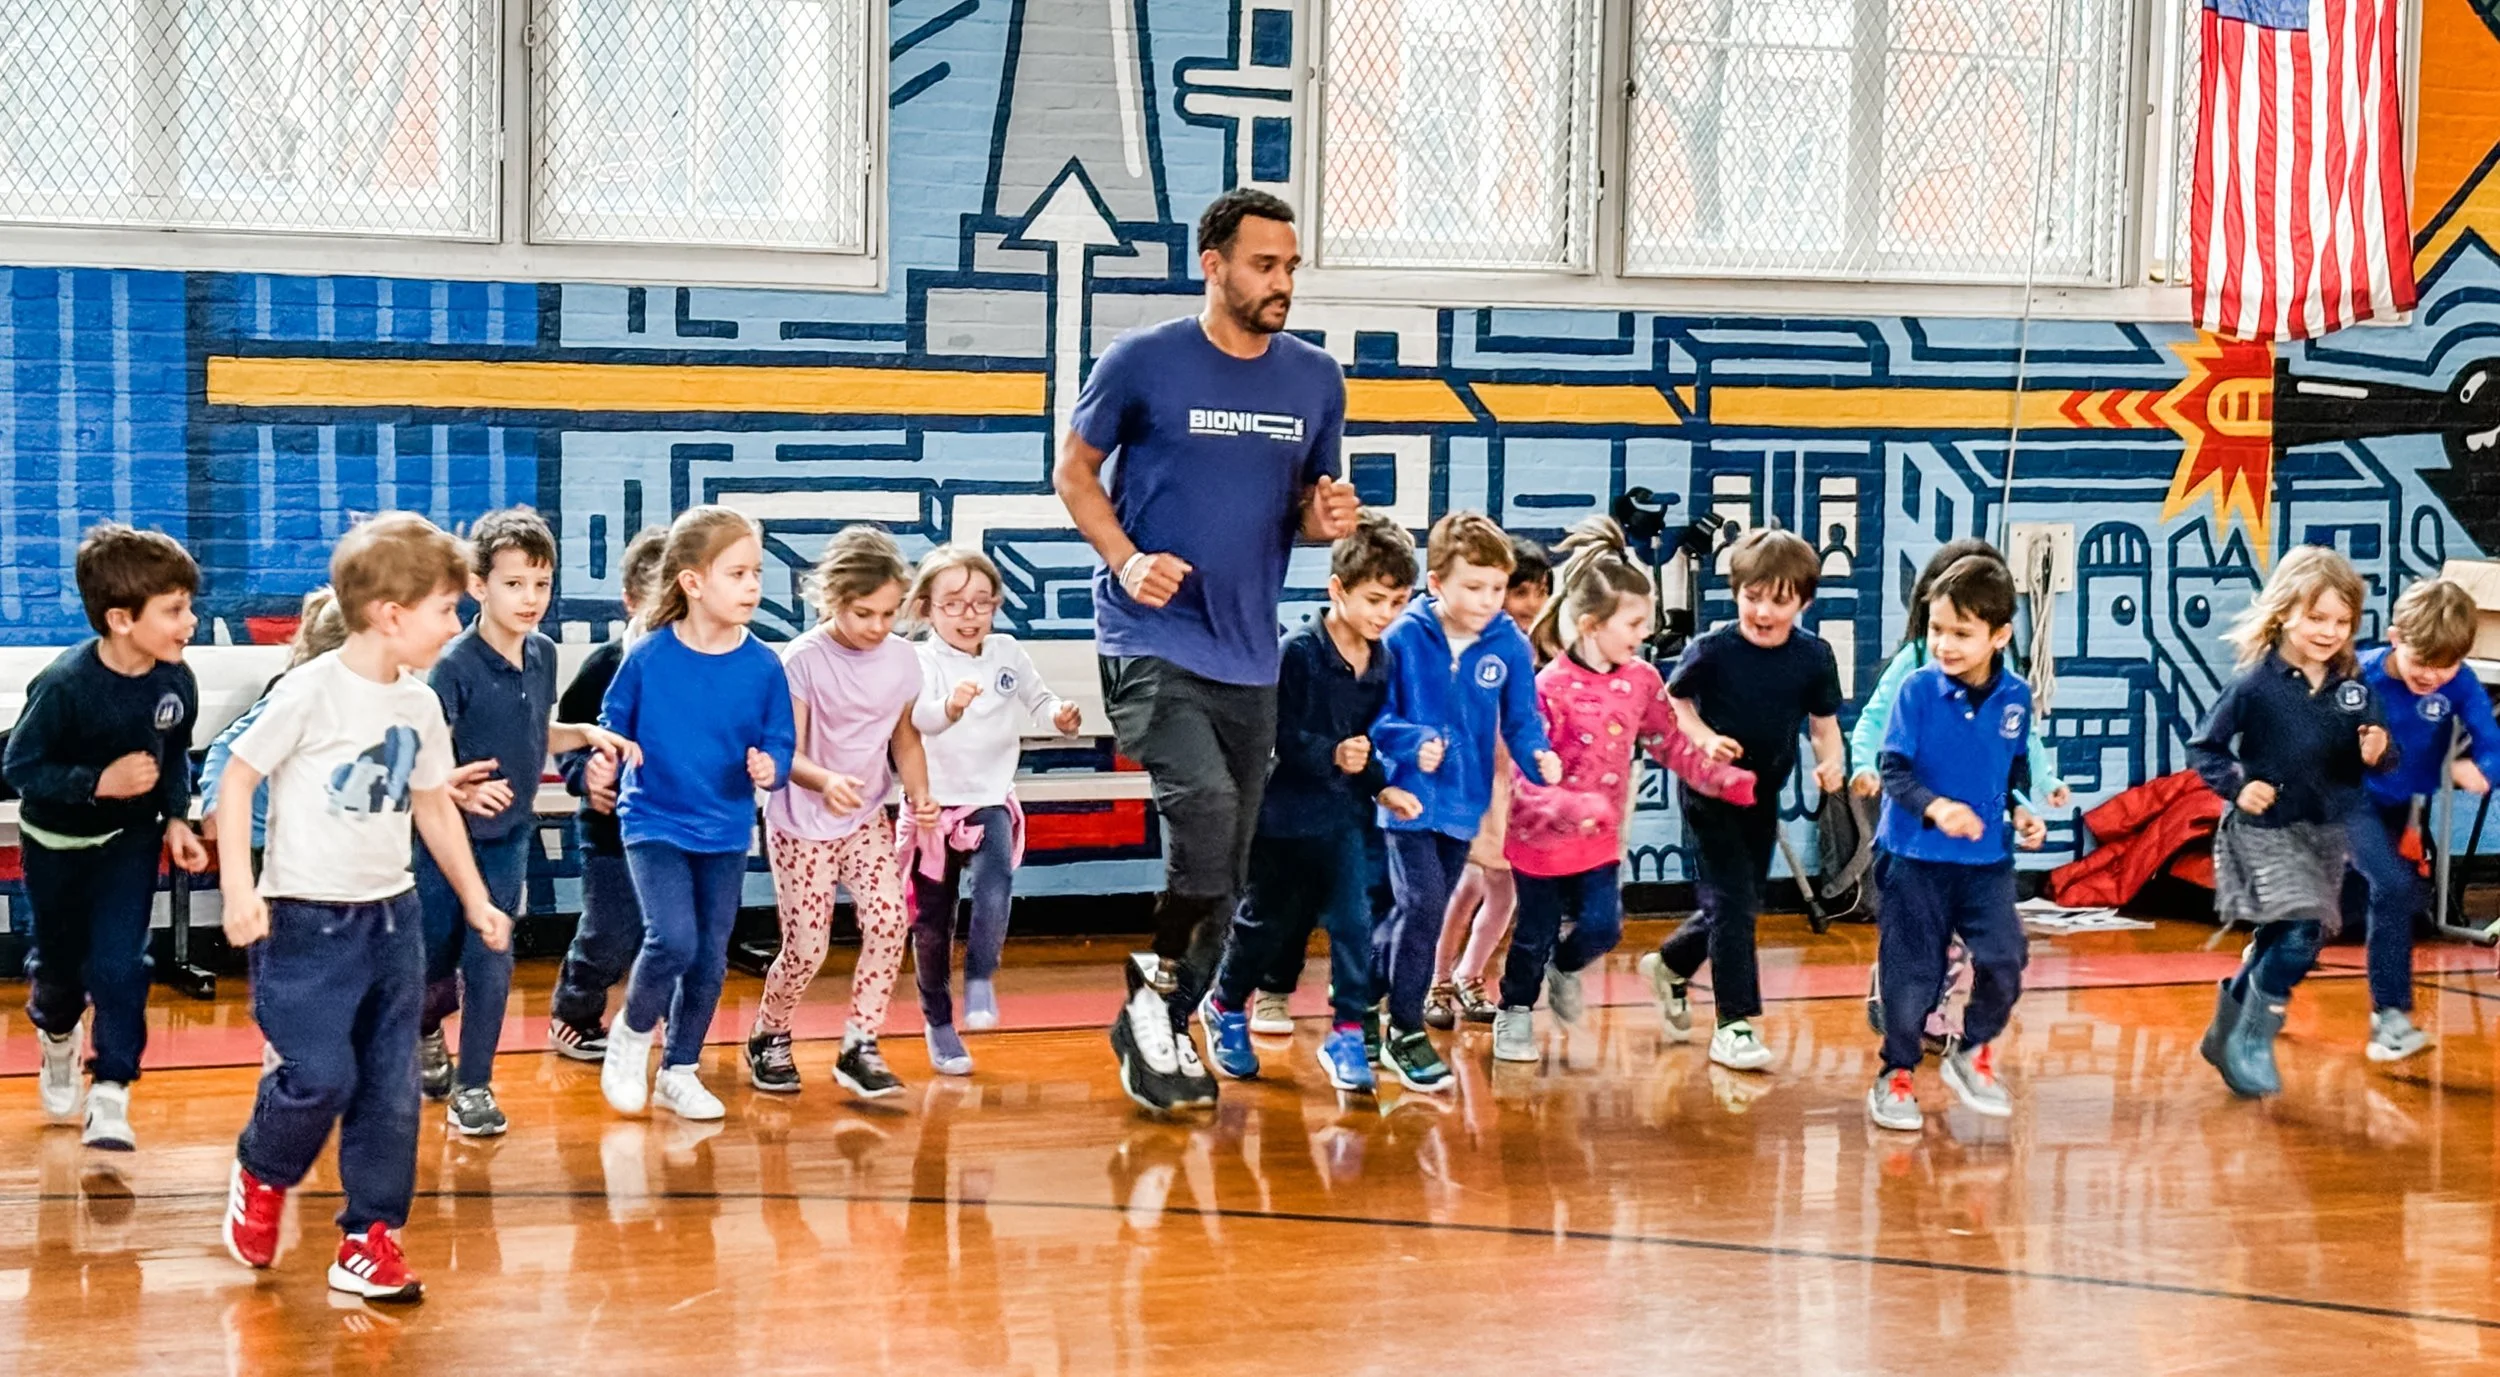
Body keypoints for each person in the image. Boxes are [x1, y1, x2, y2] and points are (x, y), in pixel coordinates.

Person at [1052, 187, 1361, 1115]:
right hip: (1147, 637)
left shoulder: (1315, 378)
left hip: (1249, 654)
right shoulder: (1144, 361)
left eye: (1292, 266)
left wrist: (1324, 520)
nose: (1282, 283)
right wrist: (1127, 557)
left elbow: (1309, 512)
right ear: (1213, 263)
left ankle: (1161, 1005)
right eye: (1264, 265)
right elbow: (1072, 471)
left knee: (1231, 853)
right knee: (1209, 813)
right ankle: (1156, 1005)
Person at [216, 512, 514, 1303]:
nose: (455, 624)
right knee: (319, 1075)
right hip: (307, 924)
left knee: (389, 1086)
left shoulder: (417, 707)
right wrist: (241, 892)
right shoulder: (310, 693)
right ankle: (263, 1166)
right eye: (446, 609)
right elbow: (237, 778)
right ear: (391, 613)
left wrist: (477, 900)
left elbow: (433, 808)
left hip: (395, 919)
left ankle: (369, 1237)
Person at [1493, 518, 1754, 1064]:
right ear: (1591, 624)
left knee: (1603, 927)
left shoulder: (1640, 681)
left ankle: (1564, 970)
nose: (1642, 635)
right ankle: (1514, 1010)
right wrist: (1571, 802)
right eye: (1633, 624)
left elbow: (1669, 743)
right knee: (1533, 932)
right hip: (1538, 839)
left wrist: (1718, 777)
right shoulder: (1548, 687)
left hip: (1599, 842)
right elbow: (1524, 773)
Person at [415, 507, 633, 1136]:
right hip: (440, 844)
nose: (531, 598)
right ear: (478, 586)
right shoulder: (453, 666)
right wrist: (453, 796)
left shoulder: (541, 653)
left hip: (508, 838)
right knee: (431, 957)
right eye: (514, 584)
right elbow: (422, 759)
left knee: (492, 954)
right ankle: (425, 1027)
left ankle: (474, 1085)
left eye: (541, 584)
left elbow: (533, 733)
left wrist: (583, 733)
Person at [1199, 512, 1425, 1092]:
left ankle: (1347, 1029)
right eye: (1375, 600)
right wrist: (1330, 755)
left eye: (1398, 602)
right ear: (1337, 591)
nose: (1386, 615)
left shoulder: (1382, 661)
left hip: (1343, 819)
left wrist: (1381, 785)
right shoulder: (1296, 653)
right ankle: (1225, 1005)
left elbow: (1363, 742)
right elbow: (1273, 738)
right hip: (1282, 820)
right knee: (1266, 926)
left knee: (1354, 923)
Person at [2, 523, 210, 1150]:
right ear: (121, 618)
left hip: (129, 840)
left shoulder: (177, 680)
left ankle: (113, 1088)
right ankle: (57, 1034)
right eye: (174, 610)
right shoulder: (65, 684)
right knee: (62, 971)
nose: (191, 622)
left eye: (188, 606)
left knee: (121, 965)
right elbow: (20, 767)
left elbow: (174, 757)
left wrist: (176, 817)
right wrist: (99, 781)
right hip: (56, 847)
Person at [599, 506, 795, 1121]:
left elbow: (781, 739)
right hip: (653, 819)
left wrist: (773, 767)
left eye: (756, 573)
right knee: (673, 938)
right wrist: (605, 760)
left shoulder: (763, 665)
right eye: (738, 574)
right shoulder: (650, 657)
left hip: (725, 828)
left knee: (710, 955)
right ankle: (631, 1039)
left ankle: (679, 1069)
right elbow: (612, 724)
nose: (753, 587)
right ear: (692, 582)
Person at [1635, 527, 1845, 1072]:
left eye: (1778, 601)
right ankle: (1734, 1024)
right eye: (1752, 596)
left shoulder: (1814, 657)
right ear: (1736, 593)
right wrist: (1702, 738)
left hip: (1763, 793)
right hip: (1707, 791)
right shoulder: (1712, 650)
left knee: (1740, 902)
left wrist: (1832, 761)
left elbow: (1824, 726)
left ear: (1803, 602)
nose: (1762, 611)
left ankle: (1671, 963)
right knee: (1733, 903)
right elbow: (1672, 703)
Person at [1370, 511, 1563, 1091]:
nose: (1487, 601)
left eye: (1496, 588)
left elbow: (1523, 721)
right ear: (1437, 584)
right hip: (1405, 797)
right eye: (1473, 587)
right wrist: (1410, 743)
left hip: (1465, 802)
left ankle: (1360, 993)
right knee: (1426, 903)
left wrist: (1539, 759)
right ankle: (1404, 1027)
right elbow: (1376, 715)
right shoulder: (1402, 636)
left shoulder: (1510, 642)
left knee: (1415, 912)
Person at [1849, 540, 2070, 1043]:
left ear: (1995, 630)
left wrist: (2042, 785)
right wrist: (1863, 767)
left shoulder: (2005, 686)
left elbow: (2019, 744)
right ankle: (1903, 996)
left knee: (1964, 936)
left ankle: (1931, 1007)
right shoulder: (1917, 666)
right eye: (1940, 625)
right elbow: (1874, 720)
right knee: (1920, 934)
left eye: (1963, 628)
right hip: (1910, 801)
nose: (1948, 641)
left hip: (1974, 824)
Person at [2191, 546, 2391, 1099]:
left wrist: (2379, 750)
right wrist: (2238, 784)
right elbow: (2204, 747)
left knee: (2286, 934)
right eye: (2316, 617)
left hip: (2324, 832)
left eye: (2342, 621)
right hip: (2264, 831)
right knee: (2302, 932)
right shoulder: (2254, 686)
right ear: (2284, 614)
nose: (2330, 632)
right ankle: (2254, 1037)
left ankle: (2225, 1027)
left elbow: (2376, 750)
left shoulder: (2352, 685)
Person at [748, 525, 935, 1101]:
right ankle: (770, 1034)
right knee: (807, 946)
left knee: (887, 922)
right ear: (832, 600)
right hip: (802, 824)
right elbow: (789, 753)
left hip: (864, 819)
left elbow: (904, 739)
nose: (878, 627)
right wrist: (825, 781)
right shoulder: (802, 660)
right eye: (864, 614)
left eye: (888, 613)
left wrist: (919, 793)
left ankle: (860, 1043)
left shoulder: (903, 660)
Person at [903, 544, 1082, 1076]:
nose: (969, 615)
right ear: (927, 610)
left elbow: (1040, 700)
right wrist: (952, 707)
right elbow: (920, 720)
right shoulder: (919, 660)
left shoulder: (1006, 652)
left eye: (981, 603)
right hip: (933, 808)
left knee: (995, 884)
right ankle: (939, 1021)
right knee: (932, 921)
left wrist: (1061, 716)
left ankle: (981, 975)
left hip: (988, 800)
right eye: (953, 604)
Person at [2346, 578, 2498, 1061]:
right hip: (2346, 801)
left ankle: (2277, 945)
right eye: (2421, 663)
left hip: (2395, 805)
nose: (2432, 677)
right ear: (2394, 638)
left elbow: (2491, 741)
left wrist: (2482, 770)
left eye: (2446, 665)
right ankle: (2390, 1017)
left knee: (2333, 908)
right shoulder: (2361, 675)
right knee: (2394, 889)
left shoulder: (2460, 682)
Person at [546, 526, 670, 1060]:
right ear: (630, 601)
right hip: (610, 831)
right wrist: (584, 774)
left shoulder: (704, 664)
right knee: (610, 933)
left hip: (675, 829)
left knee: (671, 933)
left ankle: (655, 1019)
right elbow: (568, 736)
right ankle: (573, 1009)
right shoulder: (604, 665)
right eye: (658, 608)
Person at [1427, 535, 1553, 1030]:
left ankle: (1469, 974)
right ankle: (1435, 980)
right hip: (1473, 782)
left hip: (1516, 787)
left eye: (1537, 592)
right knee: (1464, 885)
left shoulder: (1534, 647)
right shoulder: (1462, 642)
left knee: (1503, 890)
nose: (1530, 604)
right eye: (1518, 592)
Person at [201, 586, 351, 868]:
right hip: (279, 845)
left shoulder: (399, 701)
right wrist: (216, 806)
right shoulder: (300, 696)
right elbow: (226, 747)